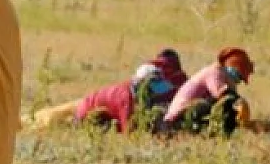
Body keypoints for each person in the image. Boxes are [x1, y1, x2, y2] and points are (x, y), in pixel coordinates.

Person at [30, 48, 186, 133]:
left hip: (91, 102)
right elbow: (130, 132)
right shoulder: (127, 98)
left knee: (50, 115)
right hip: (87, 112)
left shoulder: (163, 80)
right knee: (51, 123)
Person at [162, 46, 254, 135]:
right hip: (177, 118)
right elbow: (223, 95)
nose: (238, 81)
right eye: (239, 77)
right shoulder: (215, 71)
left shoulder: (223, 77)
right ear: (233, 68)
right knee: (227, 103)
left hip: (188, 113)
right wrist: (240, 102)